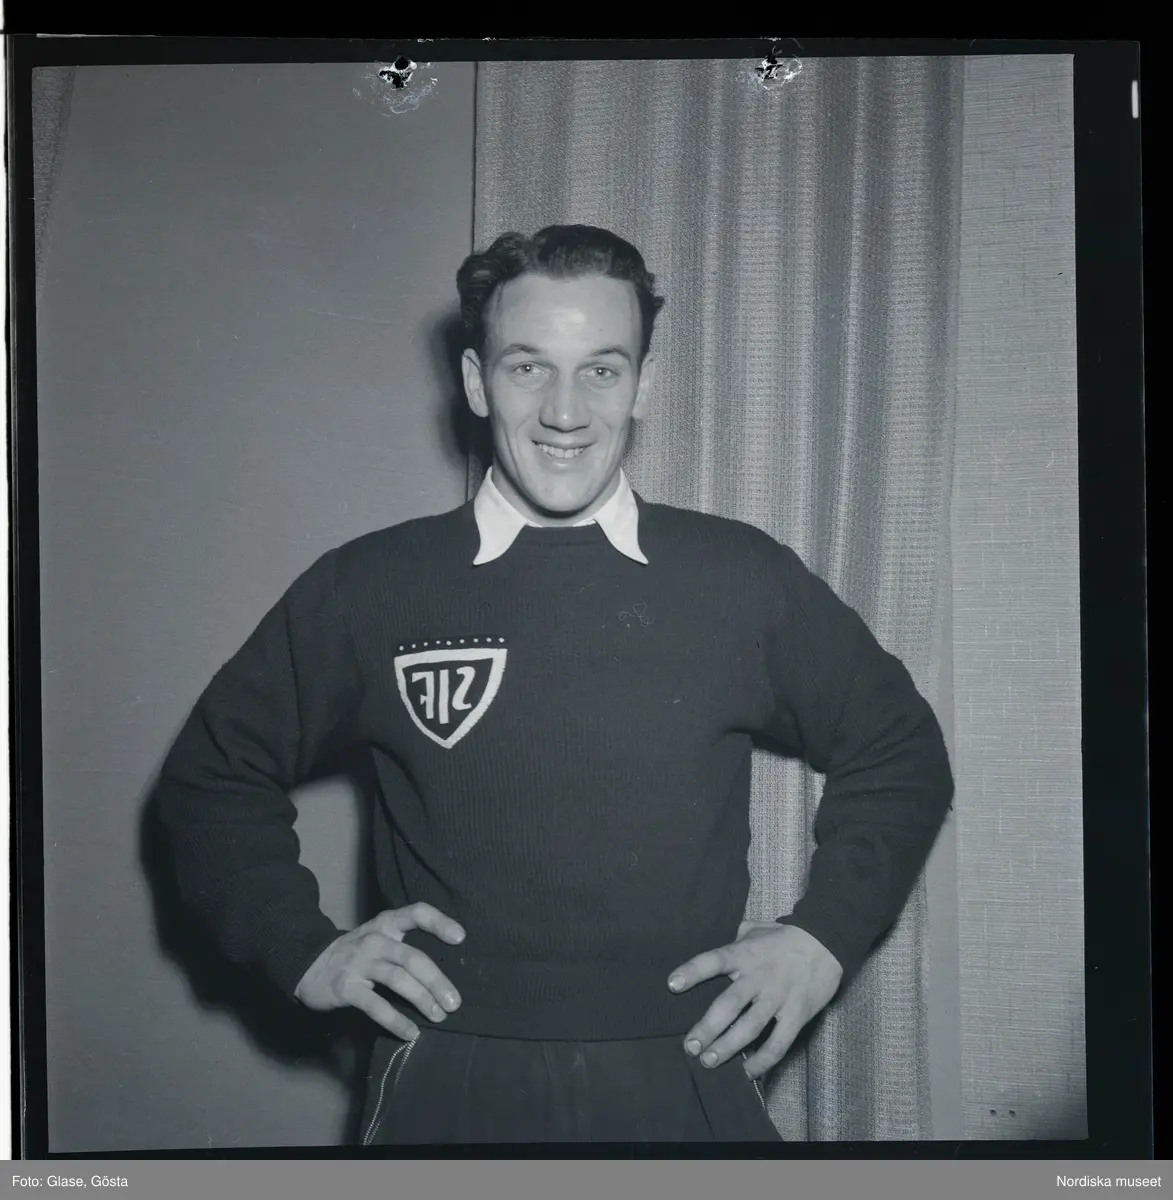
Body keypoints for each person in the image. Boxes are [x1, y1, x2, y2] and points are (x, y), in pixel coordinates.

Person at [156, 224, 954, 1145]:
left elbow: (899, 748)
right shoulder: (367, 586)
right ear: (474, 382)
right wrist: (302, 949)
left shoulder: (738, 576)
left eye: (601, 370)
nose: (564, 411)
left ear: (642, 385)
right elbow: (212, 776)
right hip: (448, 1067)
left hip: (685, 1063)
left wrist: (824, 936)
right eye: (528, 367)